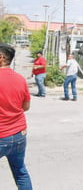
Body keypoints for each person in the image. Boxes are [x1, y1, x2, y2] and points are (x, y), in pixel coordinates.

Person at [0, 43, 33, 189]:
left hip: (2, 135)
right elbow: (25, 106)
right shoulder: (20, 79)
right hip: (19, 134)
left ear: (1, 58)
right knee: (20, 172)